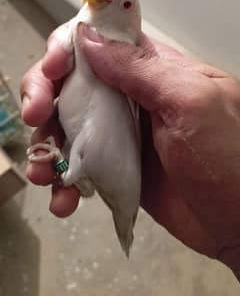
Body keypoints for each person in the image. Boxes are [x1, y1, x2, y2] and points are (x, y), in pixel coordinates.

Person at [21, 23, 240, 280]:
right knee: (76, 169)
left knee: (71, 175)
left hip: (108, 165)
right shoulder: (89, 53)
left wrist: (59, 159)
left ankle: (62, 164)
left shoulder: (119, 60)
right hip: (111, 159)